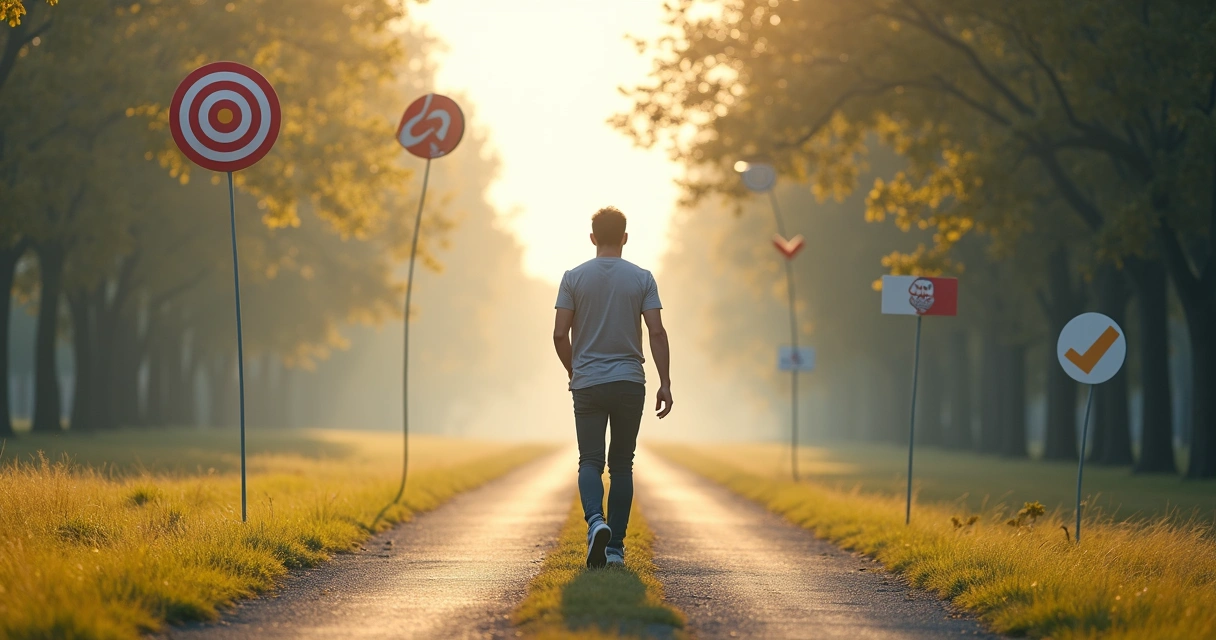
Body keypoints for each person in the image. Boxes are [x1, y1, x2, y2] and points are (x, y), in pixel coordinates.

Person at [552, 206, 673, 569]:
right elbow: (656, 331)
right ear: (624, 237)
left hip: (588, 382)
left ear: (592, 238)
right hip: (629, 383)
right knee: (622, 465)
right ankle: (616, 550)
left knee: (590, 460)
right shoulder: (642, 278)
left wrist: (576, 371)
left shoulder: (573, 278)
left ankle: (596, 523)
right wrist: (665, 382)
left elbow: (559, 334)